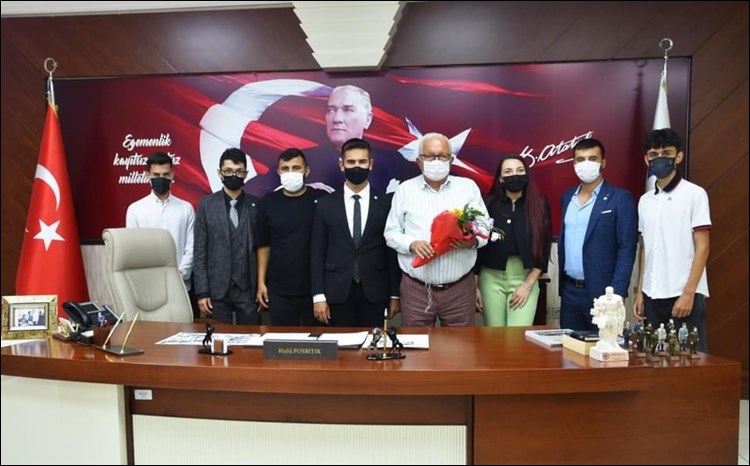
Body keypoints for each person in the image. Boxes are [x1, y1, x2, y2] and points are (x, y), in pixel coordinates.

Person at [384, 132, 488, 327]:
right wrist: (412, 244)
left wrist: (471, 241)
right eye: (430, 156)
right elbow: (390, 233)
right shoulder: (405, 190)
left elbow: (484, 227)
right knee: (416, 345)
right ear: (419, 161)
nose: (436, 161)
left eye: (442, 156)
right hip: (416, 289)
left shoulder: (468, 187)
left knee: (461, 345)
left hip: (459, 289)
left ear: (451, 160)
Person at [633, 128, 710, 352]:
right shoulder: (645, 201)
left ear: (678, 156)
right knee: (653, 359)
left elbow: (703, 246)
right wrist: (640, 292)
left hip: (682, 293)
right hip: (652, 294)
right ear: (646, 159)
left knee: (689, 360)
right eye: (654, 154)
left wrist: (688, 293)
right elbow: (645, 248)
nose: (659, 159)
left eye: (666, 153)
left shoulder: (695, 194)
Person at [310, 138, 401, 327]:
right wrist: (318, 296)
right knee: (342, 345)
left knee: (373, 343)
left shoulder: (386, 203)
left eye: (362, 162)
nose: (356, 167)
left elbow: (391, 252)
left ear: (371, 164)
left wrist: (394, 294)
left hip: (375, 292)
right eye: (351, 162)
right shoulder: (325, 204)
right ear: (341, 165)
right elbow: (317, 252)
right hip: (337, 291)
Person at [557, 138, 637, 331]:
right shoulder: (567, 197)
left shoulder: (620, 198)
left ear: (603, 162)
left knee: (605, 347)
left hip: (604, 295)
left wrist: (617, 292)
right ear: (574, 164)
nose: (586, 164)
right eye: (580, 159)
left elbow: (627, 248)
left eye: (592, 159)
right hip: (569, 293)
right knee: (569, 347)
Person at [475, 155, 552, 327]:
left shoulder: (539, 204)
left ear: (526, 174)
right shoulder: (488, 204)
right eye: (508, 172)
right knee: (494, 336)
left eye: (519, 170)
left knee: (517, 337)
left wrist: (527, 285)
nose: (514, 175)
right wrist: (475, 287)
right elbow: (478, 247)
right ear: (500, 178)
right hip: (490, 279)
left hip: (524, 277)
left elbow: (543, 249)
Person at [255, 148, 326, 326]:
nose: (290, 172)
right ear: (278, 172)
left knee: (318, 340)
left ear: (306, 171)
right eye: (285, 169)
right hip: (279, 289)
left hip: (315, 289)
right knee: (282, 340)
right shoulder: (268, 202)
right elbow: (263, 245)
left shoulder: (322, 200)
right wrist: (261, 282)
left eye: (296, 168)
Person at [193, 148, 261, 325]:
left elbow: (262, 249)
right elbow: (199, 250)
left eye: (239, 171)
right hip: (216, 289)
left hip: (248, 289)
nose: (234, 175)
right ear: (220, 173)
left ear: (246, 173)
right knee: (219, 339)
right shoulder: (206, 204)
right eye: (228, 171)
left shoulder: (256, 205)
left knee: (250, 338)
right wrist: (202, 292)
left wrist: (261, 285)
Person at [126, 152, 195, 301]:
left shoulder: (186, 208)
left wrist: (180, 274)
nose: (161, 178)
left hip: (182, 286)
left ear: (172, 175)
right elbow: (134, 249)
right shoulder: (135, 209)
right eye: (156, 175)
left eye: (165, 174)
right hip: (149, 287)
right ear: (147, 175)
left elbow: (192, 246)